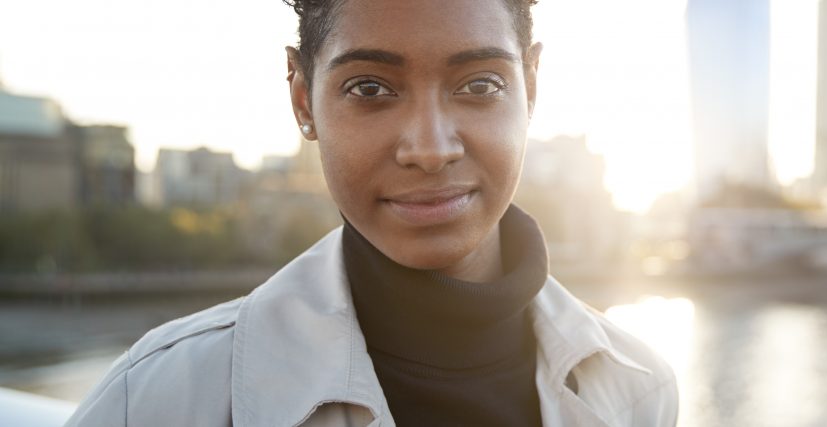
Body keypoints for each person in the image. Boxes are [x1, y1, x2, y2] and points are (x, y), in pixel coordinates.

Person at [63, 0, 678, 425]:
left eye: (481, 85)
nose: (431, 148)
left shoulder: (637, 385)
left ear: (531, 88)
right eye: (370, 89)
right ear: (304, 100)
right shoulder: (152, 401)